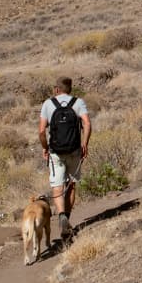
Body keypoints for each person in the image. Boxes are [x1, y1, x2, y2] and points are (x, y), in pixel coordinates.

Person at [38, 77, 90, 228]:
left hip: (56, 152)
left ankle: (61, 216)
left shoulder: (48, 104)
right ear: (70, 89)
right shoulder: (78, 102)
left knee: (57, 186)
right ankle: (67, 216)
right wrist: (84, 144)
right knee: (72, 185)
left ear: (56, 89)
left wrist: (45, 147)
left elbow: (41, 131)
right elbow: (87, 123)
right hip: (74, 150)